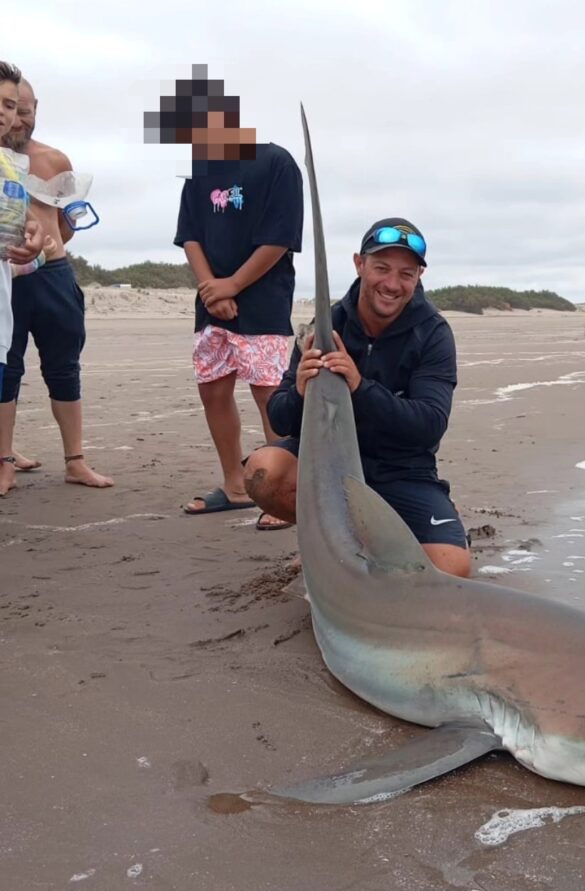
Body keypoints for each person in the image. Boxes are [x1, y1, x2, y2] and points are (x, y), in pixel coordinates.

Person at [243, 218, 471, 578]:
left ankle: (400, 530)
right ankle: (332, 542)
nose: (392, 284)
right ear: (359, 263)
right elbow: (280, 419)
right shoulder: (327, 323)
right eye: (381, 268)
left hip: (403, 469)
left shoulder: (433, 333)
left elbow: (429, 426)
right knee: (263, 471)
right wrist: (301, 392)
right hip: (331, 466)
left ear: (419, 276)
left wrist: (361, 387)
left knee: (451, 569)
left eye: (406, 274)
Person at [151, 67, 303, 523]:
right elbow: (190, 234)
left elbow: (281, 237)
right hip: (212, 304)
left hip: (263, 302)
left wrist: (233, 285)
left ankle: (281, 494)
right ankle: (236, 486)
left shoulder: (275, 162)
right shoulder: (199, 170)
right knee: (213, 393)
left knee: (270, 398)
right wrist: (210, 290)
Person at [1, 74, 113, 494]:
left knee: (64, 368)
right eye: (10, 110)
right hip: (6, 276)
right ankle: (5, 459)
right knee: (5, 370)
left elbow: (67, 224)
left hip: (53, 275)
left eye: (23, 112)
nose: (16, 122)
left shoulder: (53, 159)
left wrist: (49, 240)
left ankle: (75, 460)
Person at [0, 60, 45, 496]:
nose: (4, 112)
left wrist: (32, 235)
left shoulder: (11, 166)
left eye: (10, 104)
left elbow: (24, 221)